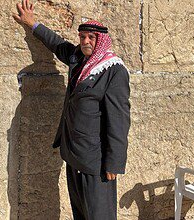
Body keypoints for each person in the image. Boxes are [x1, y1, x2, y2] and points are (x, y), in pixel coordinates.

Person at [13, 0, 130, 219]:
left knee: (99, 214)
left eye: (91, 38)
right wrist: (32, 24)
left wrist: (114, 162)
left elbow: (119, 120)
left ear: (101, 40)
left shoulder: (113, 70)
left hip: (96, 161)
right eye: (82, 37)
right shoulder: (79, 59)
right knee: (80, 212)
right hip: (74, 154)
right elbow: (57, 44)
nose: (86, 41)